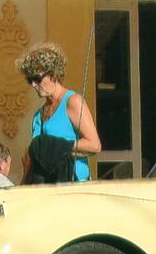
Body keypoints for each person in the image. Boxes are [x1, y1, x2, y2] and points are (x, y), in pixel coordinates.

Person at [17, 42, 101, 183]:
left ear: (53, 74)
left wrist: (57, 146)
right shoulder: (38, 116)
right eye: (29, 80)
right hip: (47, 187)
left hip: (73, 185)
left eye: (37, 79)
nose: (33, 85)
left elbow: (94, 145)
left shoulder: (73, 102)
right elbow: (32, 160)